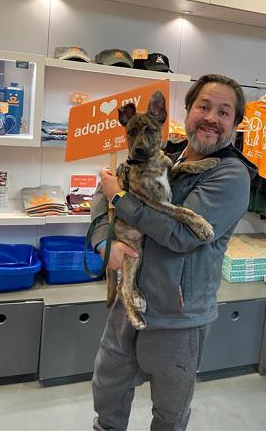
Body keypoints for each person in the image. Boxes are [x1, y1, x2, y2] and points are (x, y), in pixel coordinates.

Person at [90, 74, 256, 431]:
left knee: (168, 415)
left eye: (224, 112)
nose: (212, 117)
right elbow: (101, 193)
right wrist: (106, 243)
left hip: (178, 318)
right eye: (204, 106)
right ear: (187, 111)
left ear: (235, 123)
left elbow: (180, 235)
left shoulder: (231, 176)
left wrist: (121, 197)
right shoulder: (162, 152)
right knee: (107, 394)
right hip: (129, 299)